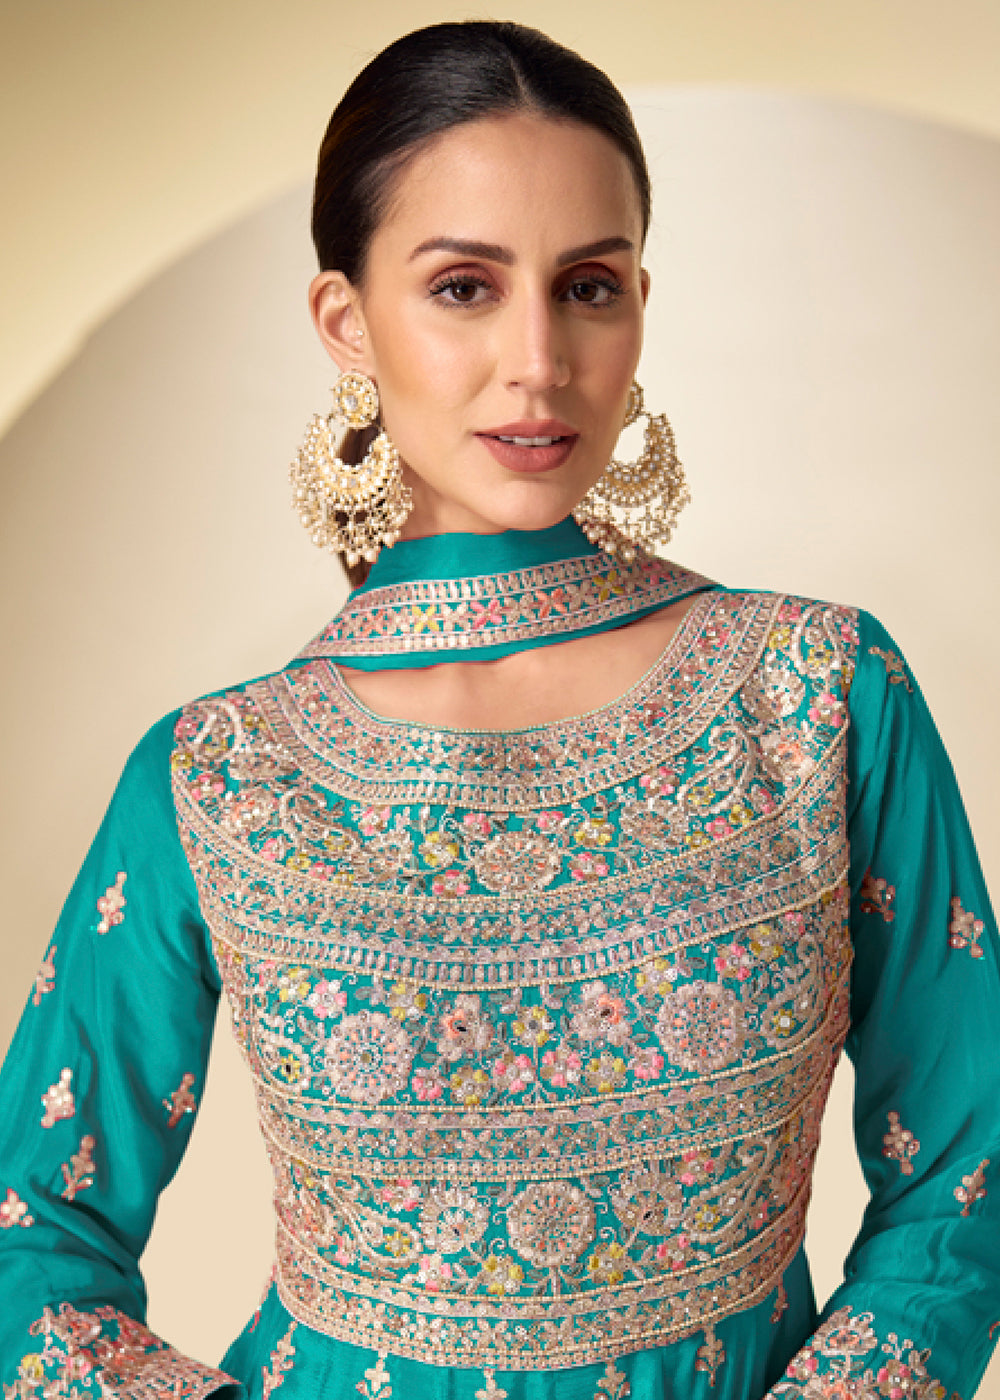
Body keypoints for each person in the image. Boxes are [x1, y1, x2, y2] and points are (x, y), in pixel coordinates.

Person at [0, 18, 997, 1400]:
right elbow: (32, 1245)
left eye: (588, 286)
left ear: (639, 303)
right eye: (464, 287)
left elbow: (968, 1170)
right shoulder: (220, 776)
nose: (539, 359)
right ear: (346, 322)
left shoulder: (816, 697)